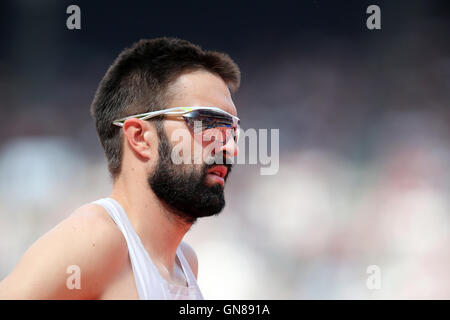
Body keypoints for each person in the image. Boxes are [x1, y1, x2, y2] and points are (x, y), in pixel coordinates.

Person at [0, 37, 241, 299]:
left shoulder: (185, 262)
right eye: (207, 123)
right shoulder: (94, 241)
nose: (230, 148)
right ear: (139, 137)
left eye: (232, 130)